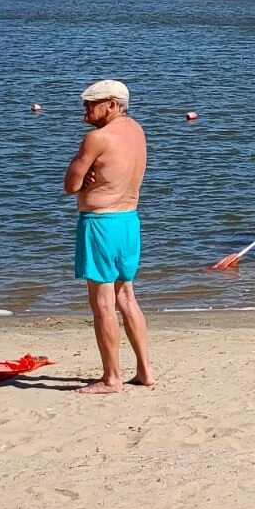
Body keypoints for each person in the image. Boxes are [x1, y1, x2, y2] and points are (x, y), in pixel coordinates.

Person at [64, 79, 153, 393]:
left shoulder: (96, 138)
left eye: (92, 102)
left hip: (101, 223)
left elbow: (70, 185)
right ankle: (145, 370)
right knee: (127, 297)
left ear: (113, 104)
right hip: (129, 221)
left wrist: (84, 175)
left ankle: (111, 377)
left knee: (103, 303)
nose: (85, 108)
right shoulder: (137, 131)